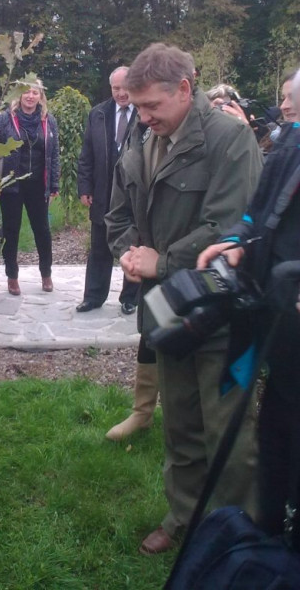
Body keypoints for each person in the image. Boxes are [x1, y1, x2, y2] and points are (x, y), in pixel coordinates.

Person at [107, 42, 263, 555]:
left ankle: (236, 535)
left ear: (185, 89)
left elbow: (229, 225)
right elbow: (117, 215)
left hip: (220, 311)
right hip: (166, 310)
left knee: (228, 434)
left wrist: (163, 261)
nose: (144, 116)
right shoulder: (140, 134)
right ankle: (184, 517)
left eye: (152, 105)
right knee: (180, 424)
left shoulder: (230, 139)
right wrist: (129, 254)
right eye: (137, 106)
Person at [197, 66, 300, 543]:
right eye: (284, 97)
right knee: (277, 427)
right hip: (279, 317)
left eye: (293, 99)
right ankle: (268, 538)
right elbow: (258, 209)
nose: (286, 107)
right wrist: (237, 240)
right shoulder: (289, 144)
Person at [77, 66, 139, 315]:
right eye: (116, 88)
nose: (122, 93)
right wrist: (85, 186)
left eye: (126, 88)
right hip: (103, 192)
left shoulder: (145, 113)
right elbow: (86, 155)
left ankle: (130, 298)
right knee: (99, 249)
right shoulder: (98, 114)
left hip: (135, 195)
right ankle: (93, 297)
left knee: (133, 247)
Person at [0, 79, 60, 295]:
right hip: (11, 185)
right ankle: (12, 277)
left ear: (40, 96)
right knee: (11, 231)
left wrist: (54, 185)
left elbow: (54, 155)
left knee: (42, 231)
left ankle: (46, 274)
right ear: (19, 95)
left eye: (35, 93)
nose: (30, 96)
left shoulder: (48, 120)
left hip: (38, 185)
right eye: (26, 92)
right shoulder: (5, 119)